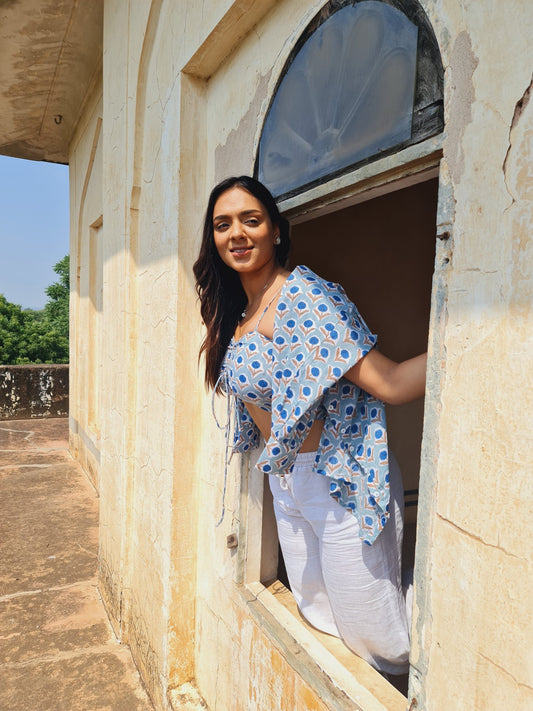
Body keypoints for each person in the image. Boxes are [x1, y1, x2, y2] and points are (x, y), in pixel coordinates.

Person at [193, 176, 427, 676]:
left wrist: (472, 338)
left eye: (250, 220)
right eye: (222, 224)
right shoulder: (238, 311)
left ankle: (454, 645)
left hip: (336, 479)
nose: (237, 233)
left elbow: (390, 382)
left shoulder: (305, 297)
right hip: (286, 480)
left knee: (380, 635)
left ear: (275, 230)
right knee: (320, 614)